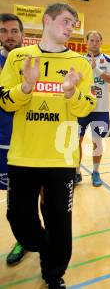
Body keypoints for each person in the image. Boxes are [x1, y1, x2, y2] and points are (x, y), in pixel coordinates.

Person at [0, 3, 96, 288]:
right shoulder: (18, 58)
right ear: (47, 20)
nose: (71, 28)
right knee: (18, 216)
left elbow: (86, 108)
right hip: (24, 156)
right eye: (66, 21)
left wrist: (70, 93)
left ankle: (53, 276)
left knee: (59, 223)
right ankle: (44, 245)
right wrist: (26, 87)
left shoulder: (80, 64)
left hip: (61, 159)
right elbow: (5, 101)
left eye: (74, 23)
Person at [0, 13, 28, 266]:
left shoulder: (33, 63)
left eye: (14, 31)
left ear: (22, 34)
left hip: (27, 145)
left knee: (25, 200)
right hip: (1, 143)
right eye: (4, 31)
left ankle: (28, 239)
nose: (9, 36)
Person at [76, 30, 110, 186]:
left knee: (97, 142)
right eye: (91, 40)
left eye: (97, 40)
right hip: (82, 107)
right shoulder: (79, 60)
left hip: (101, 108)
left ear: (101, 42)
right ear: (87, 42)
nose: (94, 43)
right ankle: (77, 172)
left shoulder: (109, 60)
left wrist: (96, 69)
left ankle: (96, 172)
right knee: (76, 140)